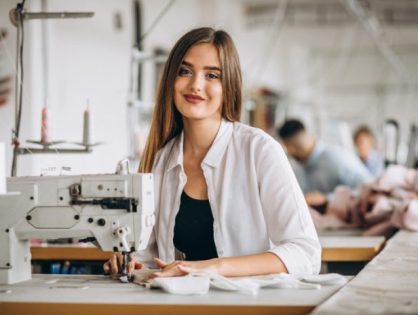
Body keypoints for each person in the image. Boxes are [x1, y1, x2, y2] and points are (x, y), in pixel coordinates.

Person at [104, 27, 320, 279]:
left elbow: (306, 253)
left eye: (212, 75)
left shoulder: (259, 150)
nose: (195, 84)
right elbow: (148, 255)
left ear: (228, 85)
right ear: (171, 80)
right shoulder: (160, 160)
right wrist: (130, 262)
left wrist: (215, 266)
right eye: (185, 71)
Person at [277, 119, 373, 211]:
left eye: (286, 147)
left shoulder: (336, 158)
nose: (288, 152)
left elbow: (370, 188)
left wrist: (327, 199)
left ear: (289, 147)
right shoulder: (298, 167)